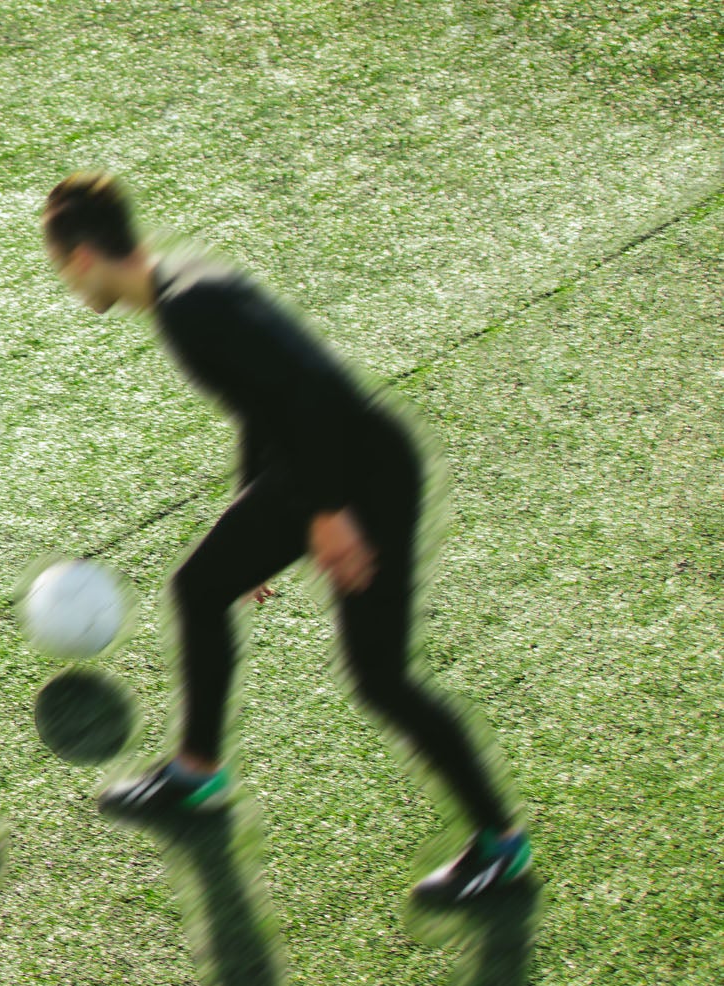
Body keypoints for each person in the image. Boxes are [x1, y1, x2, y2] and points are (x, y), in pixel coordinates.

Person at [39, 171, 530, 906]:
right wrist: (252, 515)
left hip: (361, 473)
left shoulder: (187, 310)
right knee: (200, 587)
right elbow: (261, 405)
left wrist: (327, 513)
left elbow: (310, 398)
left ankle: (500, 844)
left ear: (81, 258)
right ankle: (196, 772)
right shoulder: (183, 284)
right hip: (318, 466)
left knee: (380, 676)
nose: (68, 286)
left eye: (61, 270)